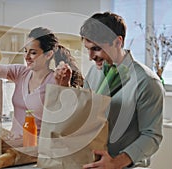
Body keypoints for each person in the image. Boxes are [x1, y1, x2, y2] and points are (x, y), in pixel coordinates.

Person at [56, 12, 164, 169]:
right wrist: (63, 87)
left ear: (118, 42)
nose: (91, 57)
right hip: (89, 162)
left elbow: (151, 136)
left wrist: (116, 163)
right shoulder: (94, 73)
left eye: (97, 49)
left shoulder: (147, 82)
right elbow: (84, 116)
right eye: (88, 49)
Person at [0, 27, 82, 141]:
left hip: (38, 149)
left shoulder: (55, 80)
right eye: (26, 51)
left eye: (33, 53)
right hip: (14, 146)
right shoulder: (20, 72)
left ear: (48, 55)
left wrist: (65, 83)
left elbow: (67, 113)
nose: (27, 57)